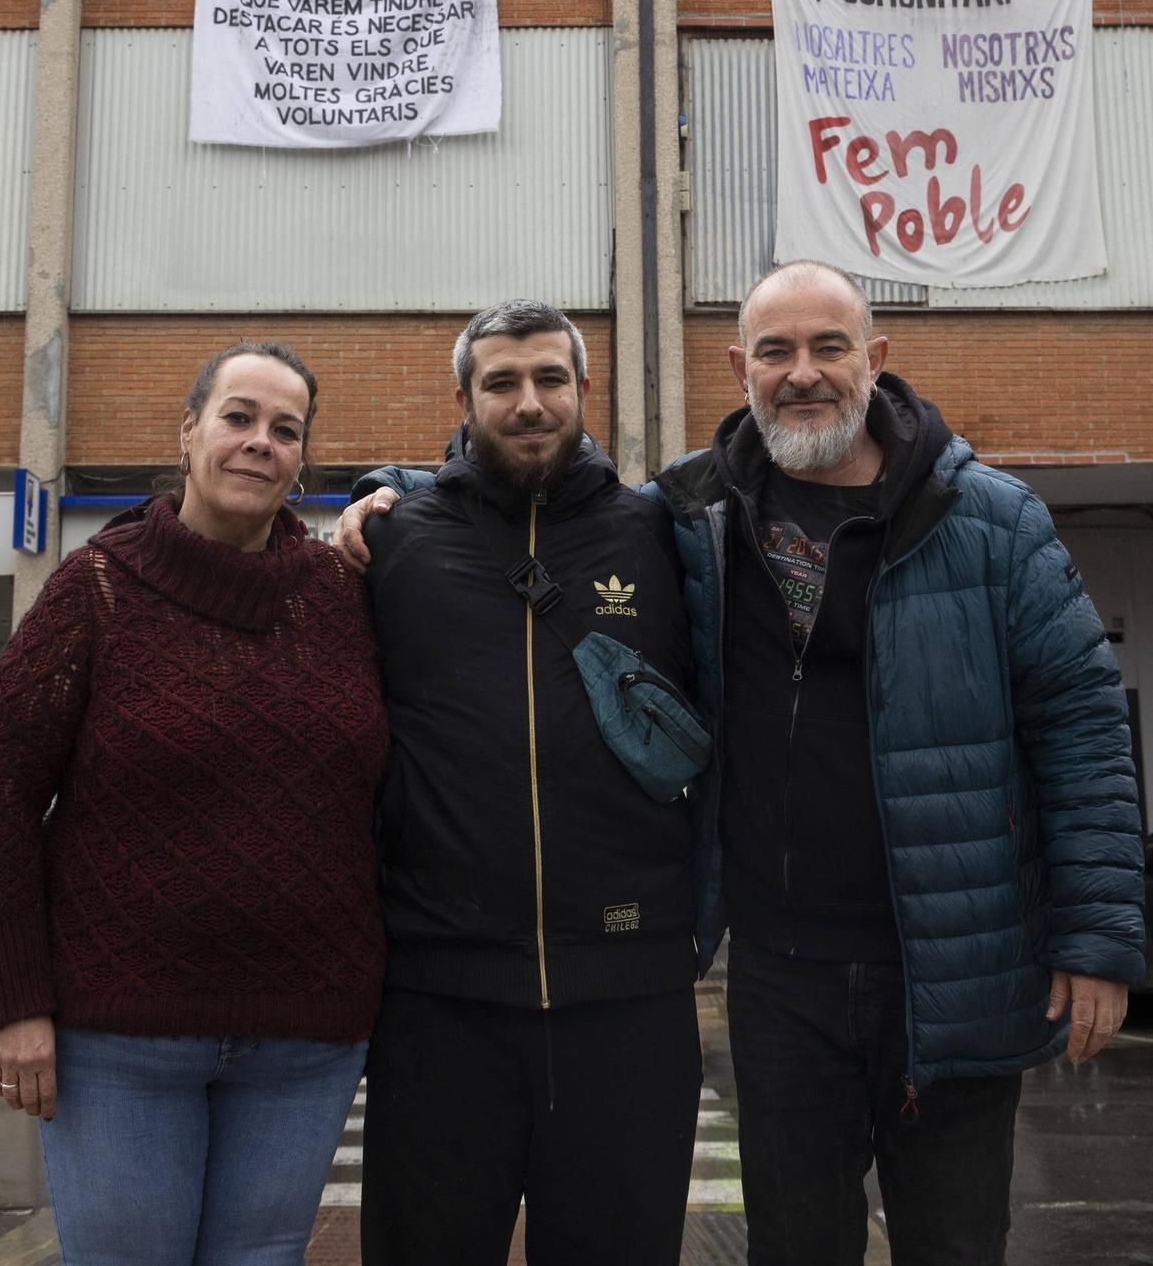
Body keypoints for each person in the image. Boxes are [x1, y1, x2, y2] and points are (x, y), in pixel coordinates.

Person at [649, 258, 1146, 1266]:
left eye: (829, 347)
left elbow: (1083, 728)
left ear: (874, 360)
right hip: (779, 976)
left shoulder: (991, 521)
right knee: (796, 1244)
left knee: (955, 1242)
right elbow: (544, 520)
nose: (804, 373)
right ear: (739, 368)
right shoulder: (693, 519)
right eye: (777, 351)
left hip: (955, 967)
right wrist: (392, 494)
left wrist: (1098, 940)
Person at [0, 341, 388, 1266]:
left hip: (305, 1035)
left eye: (286, 430)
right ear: (188, 430)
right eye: (238, 417)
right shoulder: (98, 589)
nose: (259, 443)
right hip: (118, 1037)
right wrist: (16, 1001)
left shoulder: (343, 599)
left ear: (303, 458)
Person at [345, 299, 702, 1266]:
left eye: (550, 379)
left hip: (629, 997)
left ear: (586, 391)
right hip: (440, 1003)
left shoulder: (660, 537)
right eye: (502, 382)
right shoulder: (396, 542)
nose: (530, 402)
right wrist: (379, 492)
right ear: (463, 399)